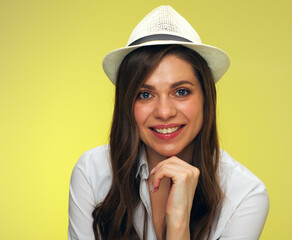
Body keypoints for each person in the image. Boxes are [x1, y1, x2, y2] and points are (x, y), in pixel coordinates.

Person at [68, 5, 269, 240]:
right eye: (145, 94)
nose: (164, 112)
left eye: (181, 92)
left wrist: (178, 221)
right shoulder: (92, 173)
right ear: (127, 104)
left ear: (206, 98)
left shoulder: (245, 194)